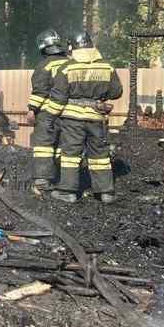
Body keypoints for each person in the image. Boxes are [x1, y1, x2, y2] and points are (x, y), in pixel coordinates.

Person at [48, 31, 122, 203]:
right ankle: (105, 192)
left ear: (71, 47)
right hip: (97, 118)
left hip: (72, 119)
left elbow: (58, 97)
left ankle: (67, 191)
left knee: (71, 155)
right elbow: (116, 92)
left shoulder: (67, 68)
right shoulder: (107, 67)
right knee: (100, 155)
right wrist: (99, 97)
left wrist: (51, 117)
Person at [27, 29, 68, 191]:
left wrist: (32, 109)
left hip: (47, 113)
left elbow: (40, 90)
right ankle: (62, 179)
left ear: (43, 48)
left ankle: (42, 181)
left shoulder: (45, 65)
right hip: (70, 113)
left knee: (43, 145)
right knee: (62, 145)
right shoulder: (71, 63)